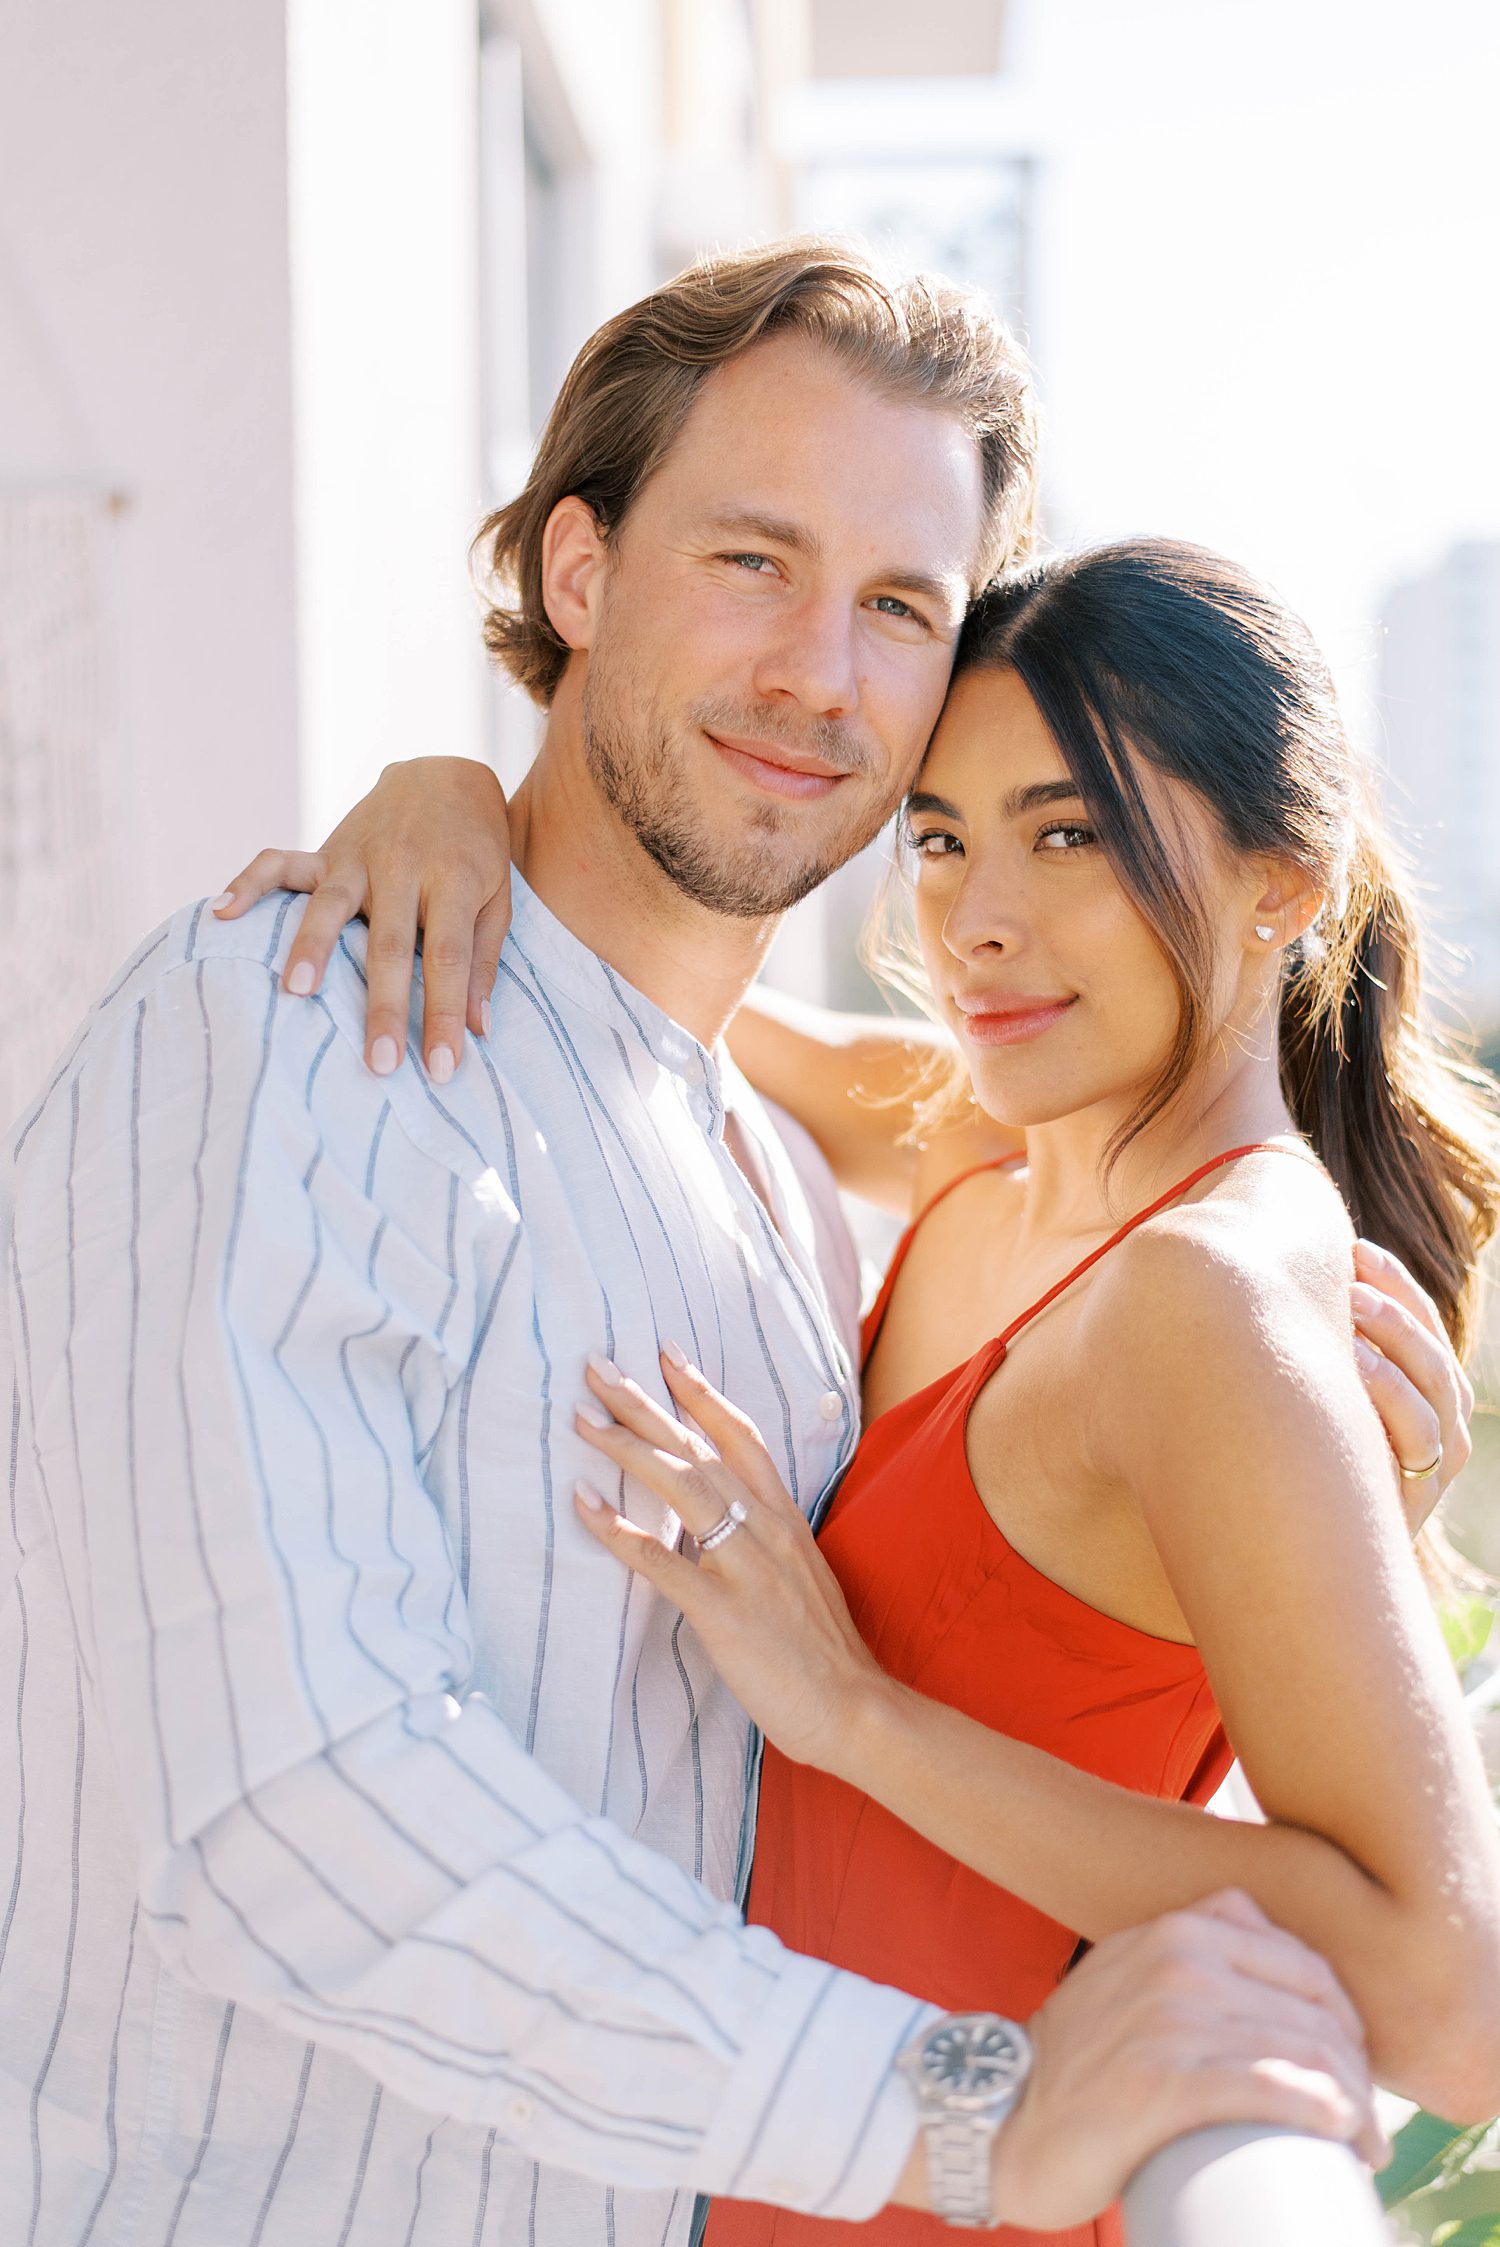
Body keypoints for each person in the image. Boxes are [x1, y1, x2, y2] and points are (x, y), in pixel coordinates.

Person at [0, 241, 1432, 2247]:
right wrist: (960, 2114)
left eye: (899, 606)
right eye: (751, 559)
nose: (818, 671)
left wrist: (1273, 1581)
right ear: (577, 575)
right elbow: (288, 1811)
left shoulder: (776, 1188)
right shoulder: (290, 1026)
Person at [229, 541, 1500, 2247]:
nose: (977, 918)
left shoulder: (1204, 1292)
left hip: (969, 2177)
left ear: (1284, 880)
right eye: (940, 837)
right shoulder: (1012, 1130)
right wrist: (448, 798)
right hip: (783, 2143)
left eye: (1072, 836)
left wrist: (852, 1713)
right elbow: (669, 987)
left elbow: (1451, 2003)